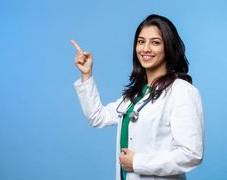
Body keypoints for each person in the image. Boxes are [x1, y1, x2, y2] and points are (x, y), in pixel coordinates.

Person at [72, 14, 204, 180]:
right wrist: (87, 75)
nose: (145, 49)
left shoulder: (181, 91)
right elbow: (97, 117)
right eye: (141, 41)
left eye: (155, 42)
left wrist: (137, 162)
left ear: (168, 47)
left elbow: (191, 154)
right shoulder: (136, 94)